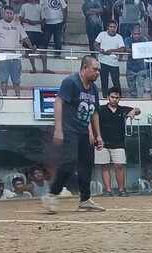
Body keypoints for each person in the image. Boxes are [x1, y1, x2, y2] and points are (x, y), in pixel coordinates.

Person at [41, 56, 106, 213]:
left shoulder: (93, 89)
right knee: (69, 161)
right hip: (69, 129)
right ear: (84, 68)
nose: (98, 73)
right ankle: (51, 194)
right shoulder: (71, 82)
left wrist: (97, 135)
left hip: (84, 130)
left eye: (99, 70)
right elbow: (58, 102)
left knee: (86, 164)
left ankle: (85, 200)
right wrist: (58, 128)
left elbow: (94, 112)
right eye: (95, 69)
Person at [0, 6, 37, 97]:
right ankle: (4, 97)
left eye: (11, 13)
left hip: (15, 56)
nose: (9, 15)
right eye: (7, 13)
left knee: (16, 80)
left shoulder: (18, 25)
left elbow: (25, 37)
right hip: (2, 55)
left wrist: (30, 46)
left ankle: (18, 97)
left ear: (13, 14)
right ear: (4, 13)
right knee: (3, 79)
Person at [97, 87, 141, 197]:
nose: (114, 100)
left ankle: (122, 190)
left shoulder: (123, 109)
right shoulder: (100, 109)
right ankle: (108, 190)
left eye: (117, 98)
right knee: (105, 166)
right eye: (112, 97)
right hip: (103, 142)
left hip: (119, 142)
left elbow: (138, 110)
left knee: (119, 165)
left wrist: (133, 111)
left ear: (119, 98)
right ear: (108, 97)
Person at [20, 0, 53, 74]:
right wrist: (27, 21)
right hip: (27, 30)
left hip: (38, 31)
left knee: (43, 49)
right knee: (29, 50)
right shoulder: (24, 6)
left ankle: (45, 68)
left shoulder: (40, 7)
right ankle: (34, 68)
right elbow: (20, 18)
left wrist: (36, 22)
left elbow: (44, 20)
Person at [95, 20, 125, 98]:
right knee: (104, 81)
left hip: (114, 63)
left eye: (114, 27)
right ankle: (105, 97)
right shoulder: (102, 34)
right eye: (111, 27)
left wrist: (111, 51)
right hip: (102, 61)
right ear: (107, 27)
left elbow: (122, 49)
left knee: (116, 82)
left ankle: (119, 97)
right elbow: (95, 44)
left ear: (116, 28)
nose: (112, 29)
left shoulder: (119, 37)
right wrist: (99, 49)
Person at [124, 25, 148, 98]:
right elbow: (127, 49)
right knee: (131, 86)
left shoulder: (144, 39)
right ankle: (134, 98)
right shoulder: (127, 39)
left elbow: (147, 49)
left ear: (141, 33)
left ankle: (140, 99)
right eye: (135, 34)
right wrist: (139, 49)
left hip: (141, 67)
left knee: (141, 85)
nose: (136, 36)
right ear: (132, 33)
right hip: (130, 67)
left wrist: (134, 50)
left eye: (138, 34)